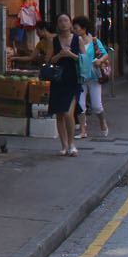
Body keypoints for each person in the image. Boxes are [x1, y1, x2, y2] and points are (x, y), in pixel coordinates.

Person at [47, 14, 83, 156]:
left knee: (68, 112)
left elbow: (83, 58)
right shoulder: (53, 40)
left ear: (70, 23)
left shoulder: (77, 39)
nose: (63, 23)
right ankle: (64, 145)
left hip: (72, 79)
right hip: (58, 80)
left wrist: (71, 55)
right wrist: (60, 55)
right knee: (59, 113)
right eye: (60, 21)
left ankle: (72, 143)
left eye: (66, 21)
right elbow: (49, 60)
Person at [73, 15, 109, 138]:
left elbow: (105, 55)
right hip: (81, 76)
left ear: (84, 28)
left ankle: (102, 121)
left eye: (77, 28)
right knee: (80, 105)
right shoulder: (75, 42)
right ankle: (83, 131)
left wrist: (99, 61)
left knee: (97, 105)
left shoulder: (94, 41)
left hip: (94, 76)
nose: (75, 30)